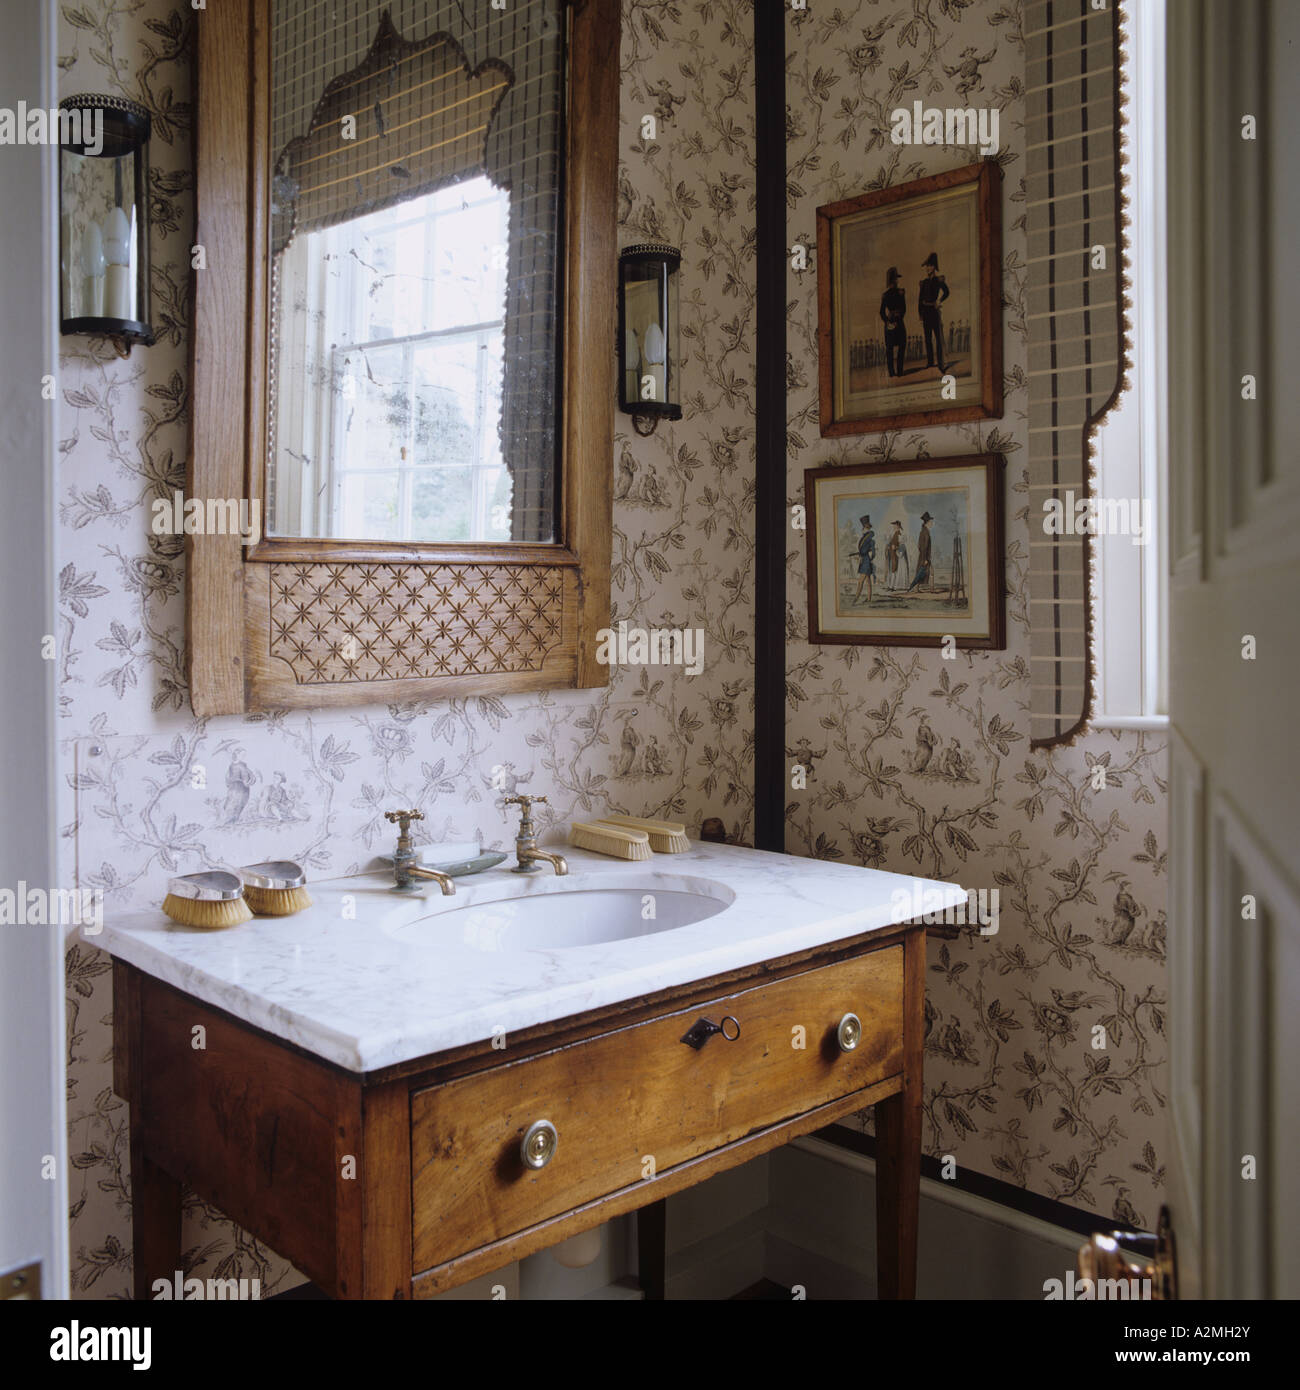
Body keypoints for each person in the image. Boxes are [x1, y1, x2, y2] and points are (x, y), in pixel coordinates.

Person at [918, 252, 950, 372]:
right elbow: (920, 300)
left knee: (938, 338)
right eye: (926, 266)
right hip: (926, 313)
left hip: (934, 311)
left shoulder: (938, 280)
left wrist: (939, 300)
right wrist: (920, 315)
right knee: (927, 338)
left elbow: (947, 292)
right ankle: (930, 362)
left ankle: (941, 363)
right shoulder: (924, 283)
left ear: (934, 267)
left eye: (929, 266)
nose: (927, 268)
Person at [878, 266, 906, 377]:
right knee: (889, 349)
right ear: (891, 280)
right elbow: (881, 312)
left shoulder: (901, 292)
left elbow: (904, 309)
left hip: (898, 322)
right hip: (890, 324)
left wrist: (897, 317)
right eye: (894, 279)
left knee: (902, 345)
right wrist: (888, 322)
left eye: (896, 279)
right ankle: (891, 372)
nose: (896, 281)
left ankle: (899, 371)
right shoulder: (885, 295)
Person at [906, 511, 934, 591]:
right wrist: (925, 558)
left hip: (924, 556)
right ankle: (920, 588)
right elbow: (923, 547)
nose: (932, 524)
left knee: (921, 572)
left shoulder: (925, 531)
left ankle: (917, 588)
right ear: (927, 522)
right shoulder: (924, 532)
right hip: (924, 556)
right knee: (924, 572)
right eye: (931, 522)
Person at [852, 514, 875, 604]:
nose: (862, 529)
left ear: (867, 528)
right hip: (864, 560)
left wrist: (868, 557)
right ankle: (869, 599)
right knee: (868, 581)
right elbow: (863, 550)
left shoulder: (869, 539)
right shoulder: (865, 537)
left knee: (860, 581)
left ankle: (856, 598)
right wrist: (860, 555)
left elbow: (872, 552)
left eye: (864, 528)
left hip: (866, 561)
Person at [885, 519, 908, 590]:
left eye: (895, 525)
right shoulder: (894, 533)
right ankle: (891, 586)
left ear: (898, 526)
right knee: (893, 570)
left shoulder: (899, 533)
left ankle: (894, 586)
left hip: (896, 555)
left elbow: (899, 544)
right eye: (893, 525)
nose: (893, 526)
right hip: (893, 554)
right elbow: (892, 543)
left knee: (895, 570)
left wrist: (895, 548)